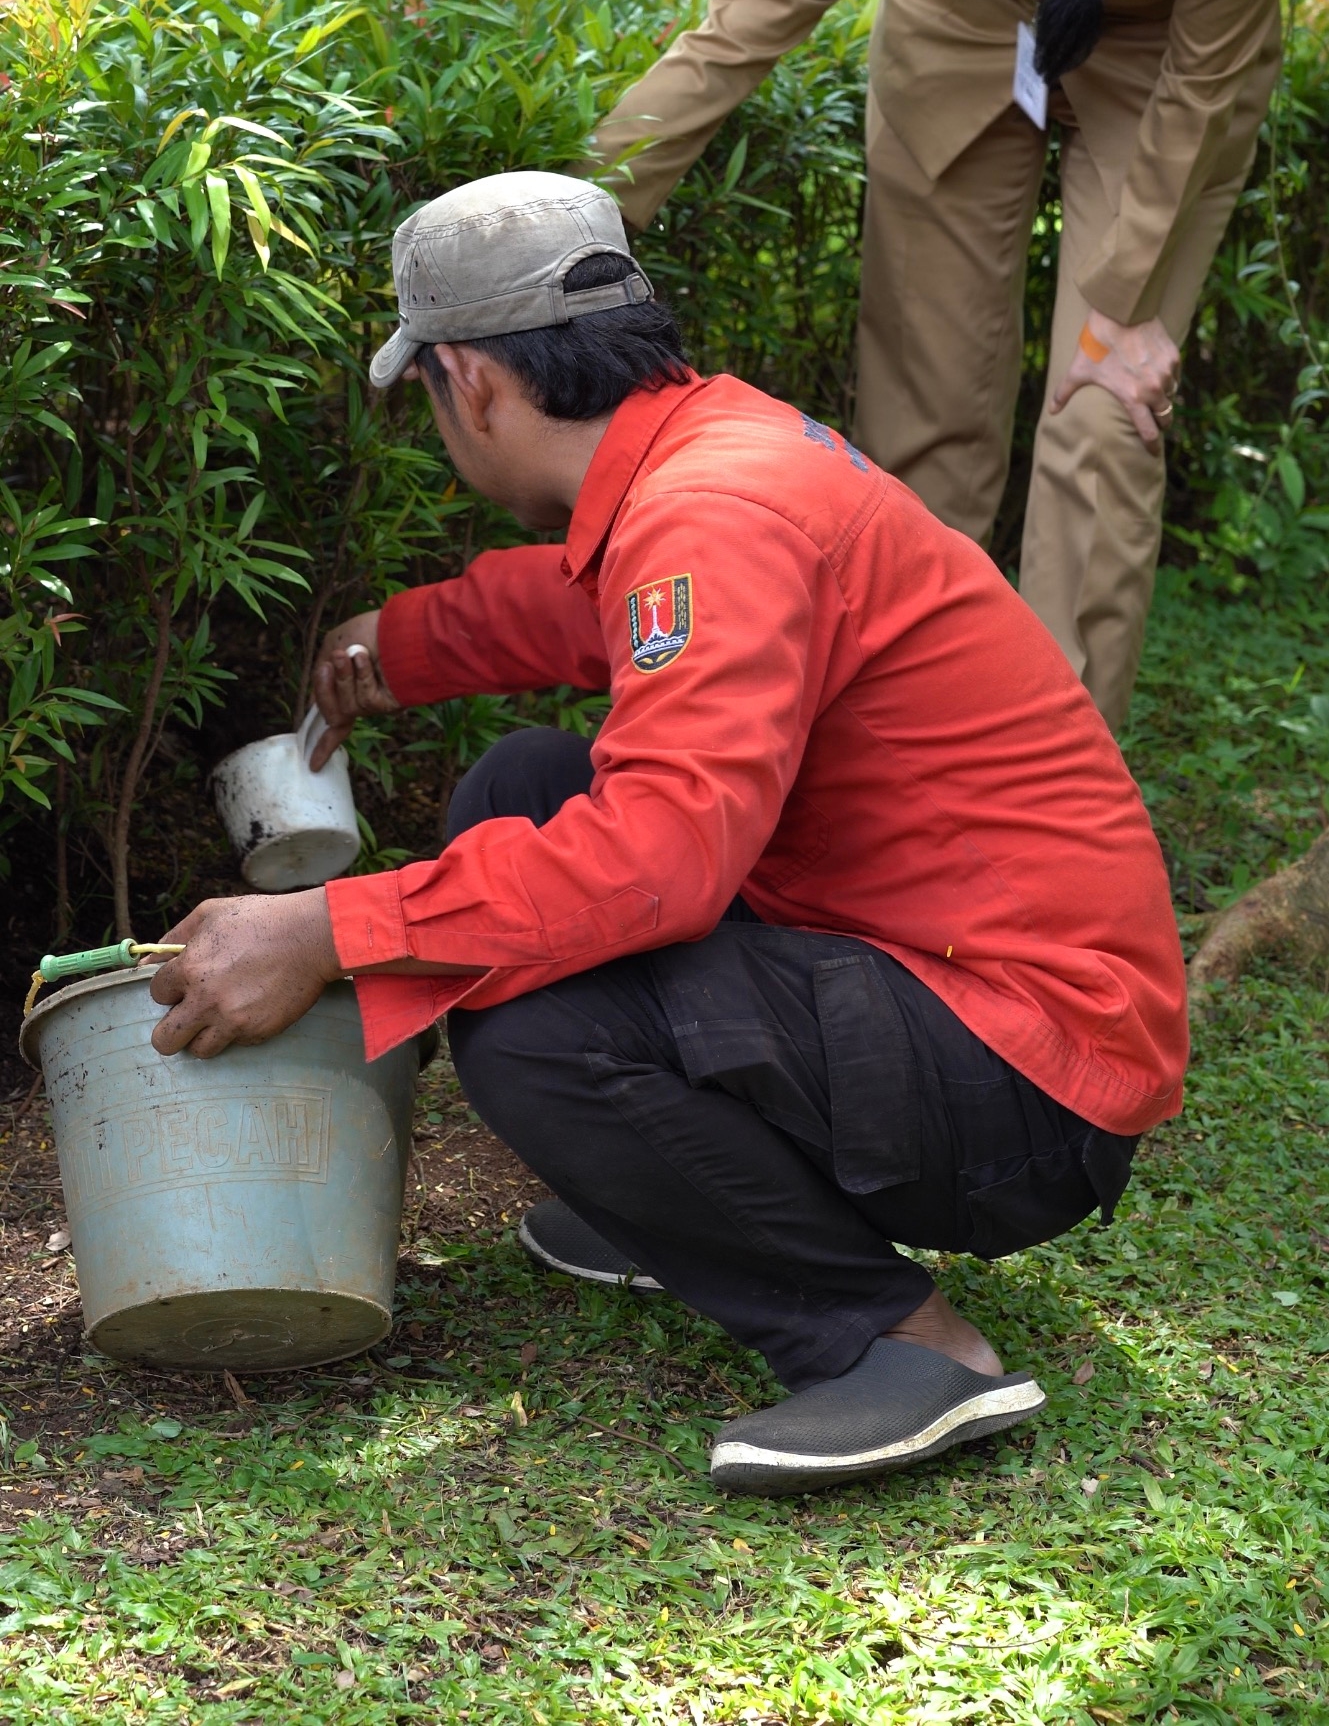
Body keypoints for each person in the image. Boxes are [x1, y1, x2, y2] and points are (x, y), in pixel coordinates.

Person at [150, 169, 1188, 1495]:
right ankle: (678, 1202)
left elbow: (659, 864)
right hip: (959, 984)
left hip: (1026, 1073)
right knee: (524, 785)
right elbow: (608, 608)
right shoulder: (712, 452)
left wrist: (331, 928)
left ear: (467, 382)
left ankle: (898, 1344)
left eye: (426, 400)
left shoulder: (716, 509)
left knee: (532, 1032)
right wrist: (400, 644)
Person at [593, 0, 1293, 732]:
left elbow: (1209, 74)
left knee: (1104, 409)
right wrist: (592, 202)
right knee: (926, 413)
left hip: (1155, 60)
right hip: (967, 27)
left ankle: (1060, 789)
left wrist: (1117, 317)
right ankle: (906, 745)